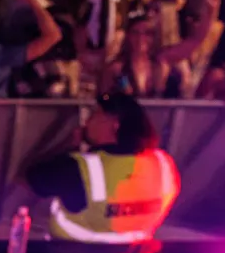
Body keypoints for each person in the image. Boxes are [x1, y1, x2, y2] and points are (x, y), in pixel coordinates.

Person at [25, 91, 179, 243]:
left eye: (94, 115)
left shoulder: (79, 168)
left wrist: (69, 146)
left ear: (114, 124)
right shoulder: (163, 164)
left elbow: (31, 177)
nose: (86, 122)